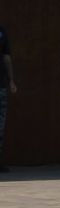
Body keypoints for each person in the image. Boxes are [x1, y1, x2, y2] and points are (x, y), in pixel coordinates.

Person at [0, 23, 12, 172]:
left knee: (0, 125)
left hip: (1, 85)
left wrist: (11, 79)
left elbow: (7, 57)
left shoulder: (2, 31)